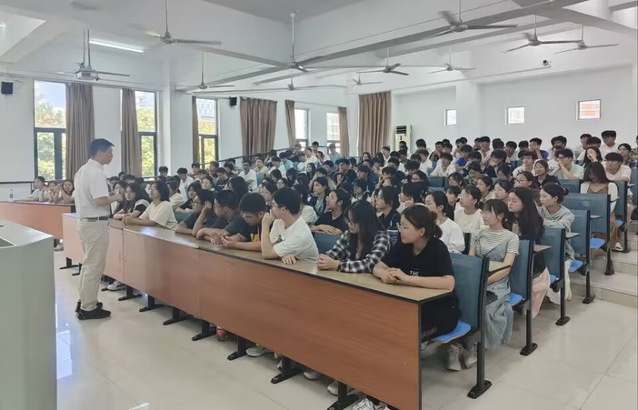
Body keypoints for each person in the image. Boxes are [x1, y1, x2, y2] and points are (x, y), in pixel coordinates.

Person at [372, 206, 460, 368]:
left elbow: (449, 283)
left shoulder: (437, 248)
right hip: (412, 308)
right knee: (380, 325)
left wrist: (407, 279)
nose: (400, 230)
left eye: (405, 227)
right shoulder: (403, 245)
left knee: (403, 336)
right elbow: (378, 266)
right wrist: (383, 274)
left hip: (440, 312)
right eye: (400, 226)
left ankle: (396, 374)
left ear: (421, 231)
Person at [449, 199, 518, 371]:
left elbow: (506, 268)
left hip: (496, 282)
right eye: (483, 212)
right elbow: (471, 259)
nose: (484, 215)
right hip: (475, 278)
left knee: (484, 307)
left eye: (488, 212)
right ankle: (458, 344)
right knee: (455, 302)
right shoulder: (478, 233)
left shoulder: (511, 238)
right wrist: (473, 280)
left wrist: (485, 281)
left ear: (500, 216)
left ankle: (470, 346)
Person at [73, 138, 122, 320]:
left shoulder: (82, 170)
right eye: (109, 152)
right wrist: (115, 197)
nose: (111, 156)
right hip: (95, 224)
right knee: (94, 266)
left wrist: (107, 195)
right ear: (100, 153)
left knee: (88, 265)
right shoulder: (97, 173)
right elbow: (100, 200)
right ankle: (89, 307)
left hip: (85, 222)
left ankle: (84, 301)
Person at [507, 188, 551, 317]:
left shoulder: (533, 221)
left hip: (530, 262)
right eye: (509, 200)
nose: (510, 203)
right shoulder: (506, 218)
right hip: (511, 258)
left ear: (524, 203)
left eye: (514, 201)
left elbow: (526, 245)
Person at [261, 187, 319, 265]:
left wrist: (265, 225)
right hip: (290, 266)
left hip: (308, 269)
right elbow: (269, 245)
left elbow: (267, 253)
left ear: (283, 209)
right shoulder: (279, 220)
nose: (271, 209)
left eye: (273, 205)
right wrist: (281, 255)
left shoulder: (300, 234)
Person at [539, 183, 575, 304]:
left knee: (560, 268)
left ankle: (561, 297)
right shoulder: (540, 210)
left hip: (562, 251)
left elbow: (560, 227)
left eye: (544, 196)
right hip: (542, 248)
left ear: (555, 198)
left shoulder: (567, 215)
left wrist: (542, 221)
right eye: (540, 196)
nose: (541, 199)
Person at [581, 162, 621, 251]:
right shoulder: (585, 185)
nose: (592, 176)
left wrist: (603, 212)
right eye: (590, 174)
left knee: (610, 222)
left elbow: (612, 203)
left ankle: (610, 243)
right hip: (590, 211)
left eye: (594, 173)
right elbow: (583, 201)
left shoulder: (611, 185)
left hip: (607, 212)